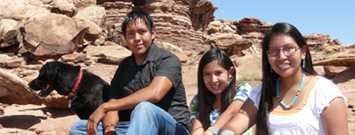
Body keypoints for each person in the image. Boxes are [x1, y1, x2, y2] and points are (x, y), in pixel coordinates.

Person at [70, 9, 191, 135]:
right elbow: (114, 101)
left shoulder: (168, 59)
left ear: (153, 33)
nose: (137, 38)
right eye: (131, 34)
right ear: (124, 38)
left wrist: (105, 107)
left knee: (144, 108)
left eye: (142, 32)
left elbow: (155, 93)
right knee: (79, 128)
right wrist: (109, 129)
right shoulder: (125, 66)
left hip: (172, 128)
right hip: (136, 127)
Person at [220, 22, 348, 135]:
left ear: (303, 52)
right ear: (267, 56)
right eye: (274, 51)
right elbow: (237, 122)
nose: (281, 57)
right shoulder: (261, 93)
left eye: (288, 49)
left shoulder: (325, 93)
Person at [190, 48, 253, 135]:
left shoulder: (243, 89)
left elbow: (232, 112)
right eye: (207, 74)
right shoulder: (197, 100)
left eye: (218, 73)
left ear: (230, 72)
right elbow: (197, 128)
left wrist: (210, 132)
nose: (213, 80)